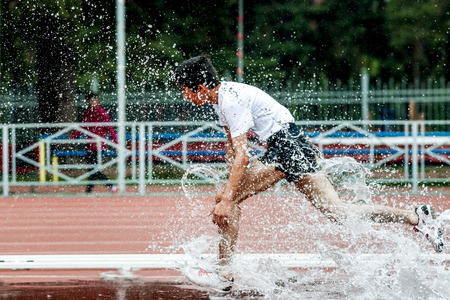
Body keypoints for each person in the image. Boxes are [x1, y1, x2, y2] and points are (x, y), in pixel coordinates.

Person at [173, 55, 444, 291]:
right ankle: (415, 216)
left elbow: (243, 156)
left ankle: (223, 274)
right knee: (339, 213)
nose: (184, 96)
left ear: (198, 88)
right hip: (294, 146)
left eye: (185, 90)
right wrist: (231, 188)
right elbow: (233, 149)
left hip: (287, 147)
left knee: (226, 198)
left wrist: (228, 195)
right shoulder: (222, 100)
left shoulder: (230, 100)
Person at [72, 92, 119, 194]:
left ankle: (108, 186)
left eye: (94, 100)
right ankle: (93, 189)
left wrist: (115, 142)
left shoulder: (102, 113)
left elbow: (110, 128)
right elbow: (83, 126)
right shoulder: (88, 113)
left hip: (98, 144)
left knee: (93, 169)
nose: (92, 102)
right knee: (92, 169)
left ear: (98, 101)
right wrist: (74, 135)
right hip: (89, 144)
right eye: (90, 100)